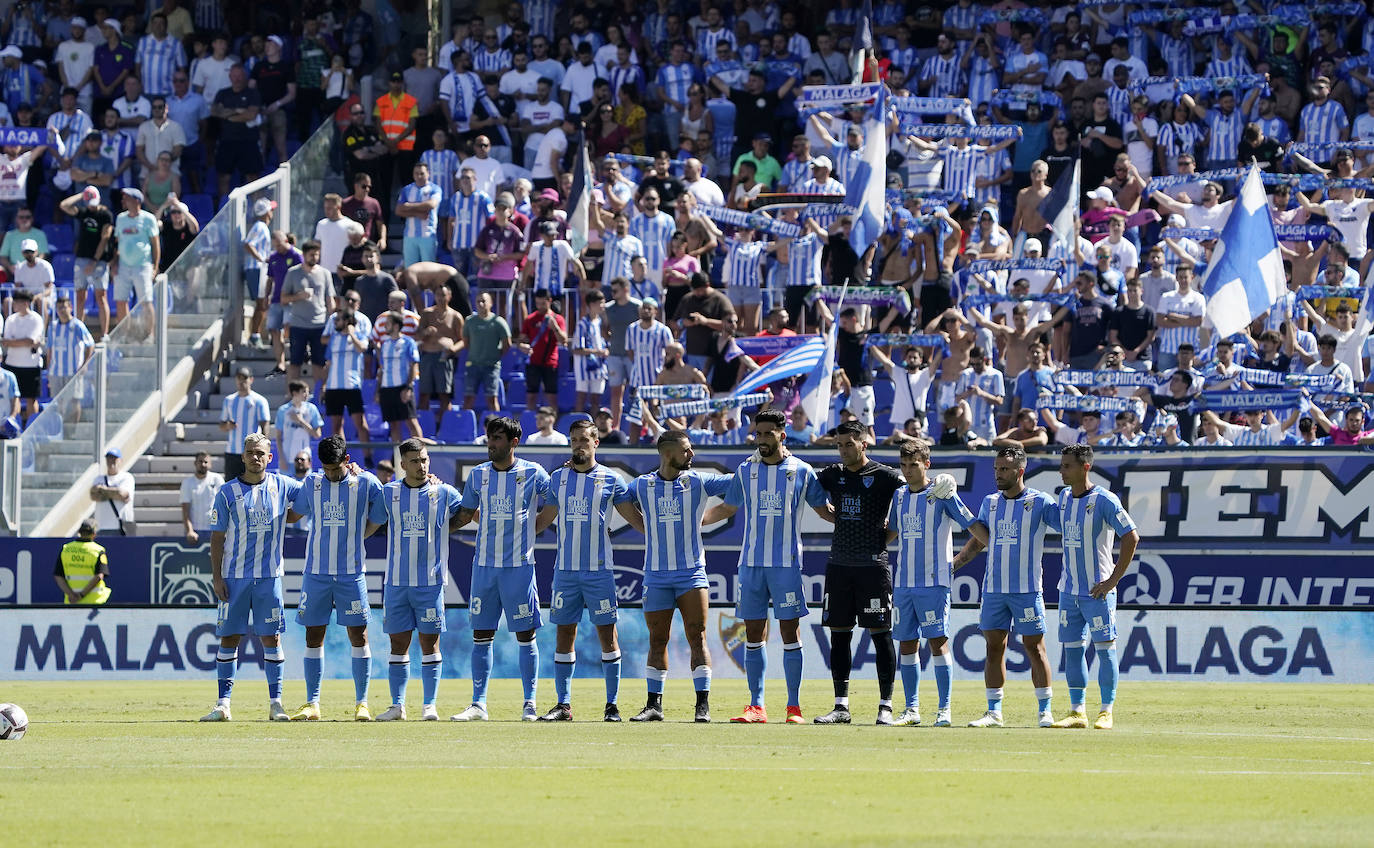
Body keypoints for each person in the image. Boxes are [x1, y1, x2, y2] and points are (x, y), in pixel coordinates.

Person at [700, 409, 833, 724]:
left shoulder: (802, 471)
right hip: (751, 564)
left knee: (790, 632)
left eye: (767, 434)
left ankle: (793, 707)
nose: (760, 440)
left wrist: (859, 522)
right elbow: (728, 508)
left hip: (785, 565)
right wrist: (694, 523)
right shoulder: (747, 471)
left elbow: (824, 510)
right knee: (753, 633)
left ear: (782, 435)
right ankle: (756, 706)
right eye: (757, 434)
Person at [534, 419, 645, 721]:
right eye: (573, 440)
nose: (578, 445)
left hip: (599, 571)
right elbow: (543, 520)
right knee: (564, 634)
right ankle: (563, 704)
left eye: (584, 440)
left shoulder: (611, 479)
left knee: (607, 636)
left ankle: (612, 705)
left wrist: (661, 533)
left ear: (596, 442)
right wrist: (509, 531)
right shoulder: (557, 479)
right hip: (565, 571)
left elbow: (634, 519)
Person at [624, 430, 733, 722]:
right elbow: (614, 496)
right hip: (656, 575)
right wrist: (644, 526)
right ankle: (654, 706)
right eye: (686, 450)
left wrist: (760, 460)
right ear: (668, 453)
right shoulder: (643, 485)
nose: (691, 455)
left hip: (692, 575)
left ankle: (702, 706)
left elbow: (738, 483)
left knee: (697, 636)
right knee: (657, 640)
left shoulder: (697, 480)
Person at [450, 417, 551, 722]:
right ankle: (478, 704)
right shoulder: (479, 474)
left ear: (513, 442)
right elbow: (465, 514)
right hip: (483, 567)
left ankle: (529, 703)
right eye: (489, 438)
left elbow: (558, 500)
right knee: (481, 635)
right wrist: (438, 527)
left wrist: (535, 528)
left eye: (496, 438)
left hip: (519, 567)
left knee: (525, 635)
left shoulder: (533, 472)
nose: (490, 444)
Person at [953, 445, 1060, 728]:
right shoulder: (989, 502)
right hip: (993, 590)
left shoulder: (1041, 502)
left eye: (1004, 469)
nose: (998, 474)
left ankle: (1045, 711)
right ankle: (994, 712)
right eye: (996, 469)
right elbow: (979, 540)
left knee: (1035, 649)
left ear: (1020, 471)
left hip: (1027, 589)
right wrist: (954, 564)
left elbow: (1067, 526)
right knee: (994, 648)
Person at [200, 433, 305, 722]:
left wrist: (351, 472)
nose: (255, 457)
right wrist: (217, 578)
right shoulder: (227, 492)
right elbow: (217, 538)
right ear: (243, 457)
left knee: (271, 638)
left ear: (269, 458)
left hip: (269, 577)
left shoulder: (282, 485)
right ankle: (223, 704)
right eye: (250, 453)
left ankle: (276, 703)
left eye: (260, 453)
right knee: (229, 638)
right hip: (234, 578)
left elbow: (312, 492)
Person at [361, 438, 462, 721]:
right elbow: (372, 525)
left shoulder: (444, 492)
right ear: (402, 465)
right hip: (396, 582)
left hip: (430, 582)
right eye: (415, 461)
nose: (421, 465)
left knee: (430, 644)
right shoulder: (389, 493)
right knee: (398, 644)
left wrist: (447, 528)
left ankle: (429, 705)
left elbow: (468, 514)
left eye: (425, 460)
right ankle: (397, 705)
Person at [813, 420, 905, 725]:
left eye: (848, 444)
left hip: (873, 568)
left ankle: (886, 706)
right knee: (839, 637)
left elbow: (913, 495)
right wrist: (829, 516)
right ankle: (841, 707)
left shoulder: (885, 476)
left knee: (881, 636)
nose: (842, 450)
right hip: (838, 566)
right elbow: (808, 490)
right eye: (838, 445)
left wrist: (885, 535)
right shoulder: (832, 475)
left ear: (863, 444)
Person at [288, 435, 385, 722]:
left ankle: (362, 703)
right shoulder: (312, 484)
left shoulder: (364, 483)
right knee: (313, 635)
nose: (330, 474)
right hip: (316, 573)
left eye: (335, 468)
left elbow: (381, 513)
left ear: (347, 460)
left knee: (358, 634)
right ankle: (312, 703)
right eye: (326, 469)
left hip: (351, 573)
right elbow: (295, 513)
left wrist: (360, 535)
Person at [1050, 444, 1140, 730]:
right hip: (1069, 590)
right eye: (1062, 464)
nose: (1062, 470)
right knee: (1073, 650)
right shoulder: (1064, 497)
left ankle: (1106, 710)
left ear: (1084, 467)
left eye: (1067, 466)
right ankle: (1077, 712)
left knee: (1104, 649)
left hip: (1097, 590)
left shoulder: (1105, 500)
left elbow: (1131, 537)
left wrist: (1113, 580)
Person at [885, 442, 973, 727]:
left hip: (934, 582)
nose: (908, 471)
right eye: (904, 465)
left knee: (937, 642)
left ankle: (944, 709)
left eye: (914, 465)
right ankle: (912, 709)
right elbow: (892, 533)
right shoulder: (898, 495)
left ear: (927, 464)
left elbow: (974, 526)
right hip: (904, 584)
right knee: (907, 645)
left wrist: (957, 561)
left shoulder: (941, 493)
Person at [281, 240, 338, 386]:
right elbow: (283, 299)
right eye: (311, 255)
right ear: (304, 255)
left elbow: (329, 298)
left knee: (319, 362)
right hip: (298, 324)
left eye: (317, 255)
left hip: (319, 324)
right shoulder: (293, 273)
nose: (315, 257)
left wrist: (332, 320)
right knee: (295, 362)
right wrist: (298, 296)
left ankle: (320, 395)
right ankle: (292, 395)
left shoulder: (325, 273)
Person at [60, 187, 114, 339]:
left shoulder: (105, 215)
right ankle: (78, 330)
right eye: (89, 202)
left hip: (99, 260)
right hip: (82, 257)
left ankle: (104, 333)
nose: (91, 206)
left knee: (100, 296)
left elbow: (105, 238)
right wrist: (80, 195)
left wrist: (95, 260)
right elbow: (64, 205)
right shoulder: (84, 213)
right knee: (80, 295)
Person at [112, 186, 160, 339]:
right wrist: (114, 262)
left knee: (146, 301)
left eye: (127, 198)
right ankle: (124, 334)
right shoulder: (120, 218)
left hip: (143, 265)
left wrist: (155, 266)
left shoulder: (148, 219)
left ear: (137, 200)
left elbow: (155, 244)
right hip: (123, 266)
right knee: (121, 300)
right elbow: (117, 242)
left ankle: (149, 335)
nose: (123, 200)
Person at [517, 288, 567, 412]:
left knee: (551, 397)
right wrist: (522, 346)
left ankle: (552, 426)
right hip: (533, 362)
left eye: (542, 304)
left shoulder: (558, 319)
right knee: (531, 396)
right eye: (537, 303)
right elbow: (520, 340)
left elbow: (563, 340)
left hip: (550, 363)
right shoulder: (530, 319)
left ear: (549, 301)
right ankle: (530, 423)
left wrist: (555, 328)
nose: (540, 307)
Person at [377, 310, 422, 442]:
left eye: (388, 323)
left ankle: (421, 453)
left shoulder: (408, 342)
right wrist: (378, 390)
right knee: (393, 425)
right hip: (387, 389)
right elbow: (382, 369)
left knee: (411, 422)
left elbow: (414, 365)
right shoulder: (384, 344)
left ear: (396, 325)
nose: (385, 326)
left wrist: (408, 387)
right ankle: (397, 456)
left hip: (403, 387)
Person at [219, 366, 270, 481]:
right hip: (233, 451)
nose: (241, 381)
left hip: (252, 452)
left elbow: (265, 425)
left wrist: (264, 448)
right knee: (231, 484)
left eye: (245, 378)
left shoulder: (259, 400)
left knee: (252, 483)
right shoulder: (229, 400)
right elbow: (221, 425)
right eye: (239, 378)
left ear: (251, 379)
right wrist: (228, 425)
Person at [0, 290, 42, 426]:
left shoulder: (36, 319)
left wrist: (16, 342)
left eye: (17, 302)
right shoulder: (11, 319)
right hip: (12, 364)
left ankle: (31, 427)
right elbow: (6, 342)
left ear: (26, 303)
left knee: (31, 398)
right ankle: (13, 426)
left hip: (30, 365)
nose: (14, 305)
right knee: (14, 398)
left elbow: (30, 341)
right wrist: (22, 342)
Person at [54, 519, 111, 605]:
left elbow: (58, 576)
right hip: (94, 601)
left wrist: (71, 595)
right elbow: (99, 576)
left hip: (71, 602)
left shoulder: (66, 549)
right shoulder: (98, 550)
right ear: (94, 534)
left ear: (79, 532)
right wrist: (81, 595)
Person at [242, 197, 274, 348]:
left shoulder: (261, 227)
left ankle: (256, 335)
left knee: (262, 303)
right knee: (262, 303)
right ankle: (255, 336)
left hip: (259, 269)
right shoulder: (260, 226)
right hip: (257, 269)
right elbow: (248, 244)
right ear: (266, 212)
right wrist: (262, 259)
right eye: (270, 209)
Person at [272, 380, 324, 468]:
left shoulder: (312, 409)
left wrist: (301, 421)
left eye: (308, 392)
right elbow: (278, 437)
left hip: (305, 458)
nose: (307, 394)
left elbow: (317, 434)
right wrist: (281, 459)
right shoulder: (283, 410)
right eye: (304, 392)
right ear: (295, 393)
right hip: (287, 458)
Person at [178, 450, 223, 546]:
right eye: (200, 461)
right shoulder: (187, 483)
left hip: (214, 530)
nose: (203, 464)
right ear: (195, 463)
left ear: (210, 464)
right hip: (195, 532)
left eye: (206, 462)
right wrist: (190, 531)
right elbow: (185, 510)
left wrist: (223, 530)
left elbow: (224, 506)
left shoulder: (217, 479)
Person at [89, 448, 135, 537]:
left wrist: (102, 490)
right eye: (109, 458)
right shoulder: (99, 479)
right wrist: (114, 493)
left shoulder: (127, 477)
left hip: (121, 527)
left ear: (120, 461)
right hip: (101, 526)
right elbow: (93, 496)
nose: (111, 461)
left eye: (114, 458)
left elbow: (122, 495)